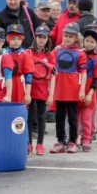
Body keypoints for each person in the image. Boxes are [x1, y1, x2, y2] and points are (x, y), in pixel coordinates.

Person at [50, 22, 87, 154]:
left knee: (72, 117)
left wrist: (82, 89)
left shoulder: (80, 53)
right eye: (65, 35)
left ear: (76, 38)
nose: (67, 39)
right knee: (59, 117)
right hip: (59, 89)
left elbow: (84, 73)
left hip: (72, 90)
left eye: (71, 36)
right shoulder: (56, 50)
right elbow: (51, 67)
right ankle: (60, 141)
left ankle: (73, 141)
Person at [26, 26, 55, 156]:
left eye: (44, 37)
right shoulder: (28, 52)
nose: (41, 40)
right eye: (39, 37)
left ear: (48, 38)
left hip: (43, 90)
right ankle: (28, 143)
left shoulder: (50, 54)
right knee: (29, 116)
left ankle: (40, 144)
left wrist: (51, 94)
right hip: (30, 89)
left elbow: (54, 75)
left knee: (41, 117)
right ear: (35, 37)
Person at [78, 30, 97, 151]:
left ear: (96, 44)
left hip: (89, 92)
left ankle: (86, 139)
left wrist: (90, 94)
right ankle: (75, 139)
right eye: (87, 40)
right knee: (75, 118)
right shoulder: (78, 54)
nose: (88, 43)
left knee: (86, 119)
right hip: (76, 91)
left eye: (92, 42)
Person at [6, 24, 35, 104]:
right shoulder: (4, 53)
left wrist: (28, 94)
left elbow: (29, 75)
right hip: (5, 83)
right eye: (13, 38)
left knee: (18, 107)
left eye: (19, 39)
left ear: (22, 40)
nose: (16, 41)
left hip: (19, 84)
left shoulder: (25, 54)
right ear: (8, 39)